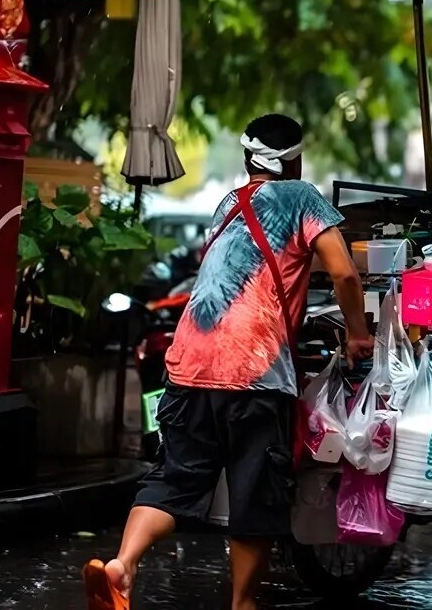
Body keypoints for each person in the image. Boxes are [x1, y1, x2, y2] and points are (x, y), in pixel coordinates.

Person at [83, 114, 374, 610]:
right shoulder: (304, 198)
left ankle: (122, 565)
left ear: (246, 160)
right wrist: (358, 334)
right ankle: (243, 604)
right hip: (254, 372)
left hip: (188, 364)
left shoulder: (227, 205)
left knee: (174, 478)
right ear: (297, 160)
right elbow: (345, 274)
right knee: (255, 494)